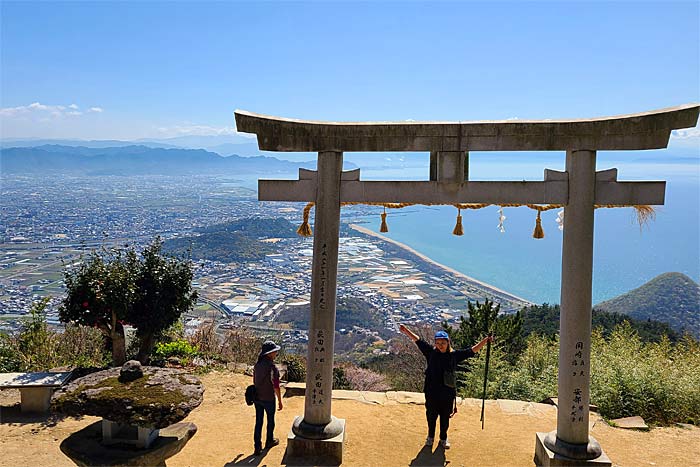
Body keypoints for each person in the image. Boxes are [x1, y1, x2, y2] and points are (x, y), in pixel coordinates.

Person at [399, 324, 493, 450]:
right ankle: (430, 436)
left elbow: (472, 351)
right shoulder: (431, 352)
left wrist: (485, 341)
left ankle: (443, 438)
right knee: (431, 416)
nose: (440, 345)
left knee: (445, 418)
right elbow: (418, 340)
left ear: (448, 342)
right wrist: (406, 331)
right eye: (438, 343)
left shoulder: (454, 355)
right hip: (431, 391)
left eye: (443, 342)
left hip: (447, 393)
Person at [252, 340, 284, 455]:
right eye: (274, 351)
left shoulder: (257, 365)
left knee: (258, 422)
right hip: (268, 398)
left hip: (257, 397)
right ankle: (269, 441)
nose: (276, 353)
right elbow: (276, 386)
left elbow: (255, 381)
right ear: (269, 353)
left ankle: (257, 446)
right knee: (270, 420)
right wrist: (280, 401)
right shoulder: (272, 367)